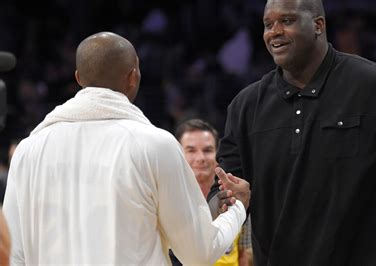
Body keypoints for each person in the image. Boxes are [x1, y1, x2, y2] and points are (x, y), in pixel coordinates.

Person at [208, 0, 376, 265]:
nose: (274, 32)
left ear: (318, 25)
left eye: (287, 21)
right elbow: (217, 198)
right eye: (268, 24)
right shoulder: (245, 107)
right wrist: (230, 200)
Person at [2, 31, 250, 265]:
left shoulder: (27, 150)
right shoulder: (155, 144)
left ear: (78, 78)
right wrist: (237, 209)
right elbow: (199, 254)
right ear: (133, 77)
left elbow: (12, 255)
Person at [172, 118, 253, 266]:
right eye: (191, 150)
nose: (200, 158)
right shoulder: (168, 203)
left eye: (207, 150)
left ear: (217, 155)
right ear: (178, 155)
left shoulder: (233, 197)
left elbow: (244, 255)